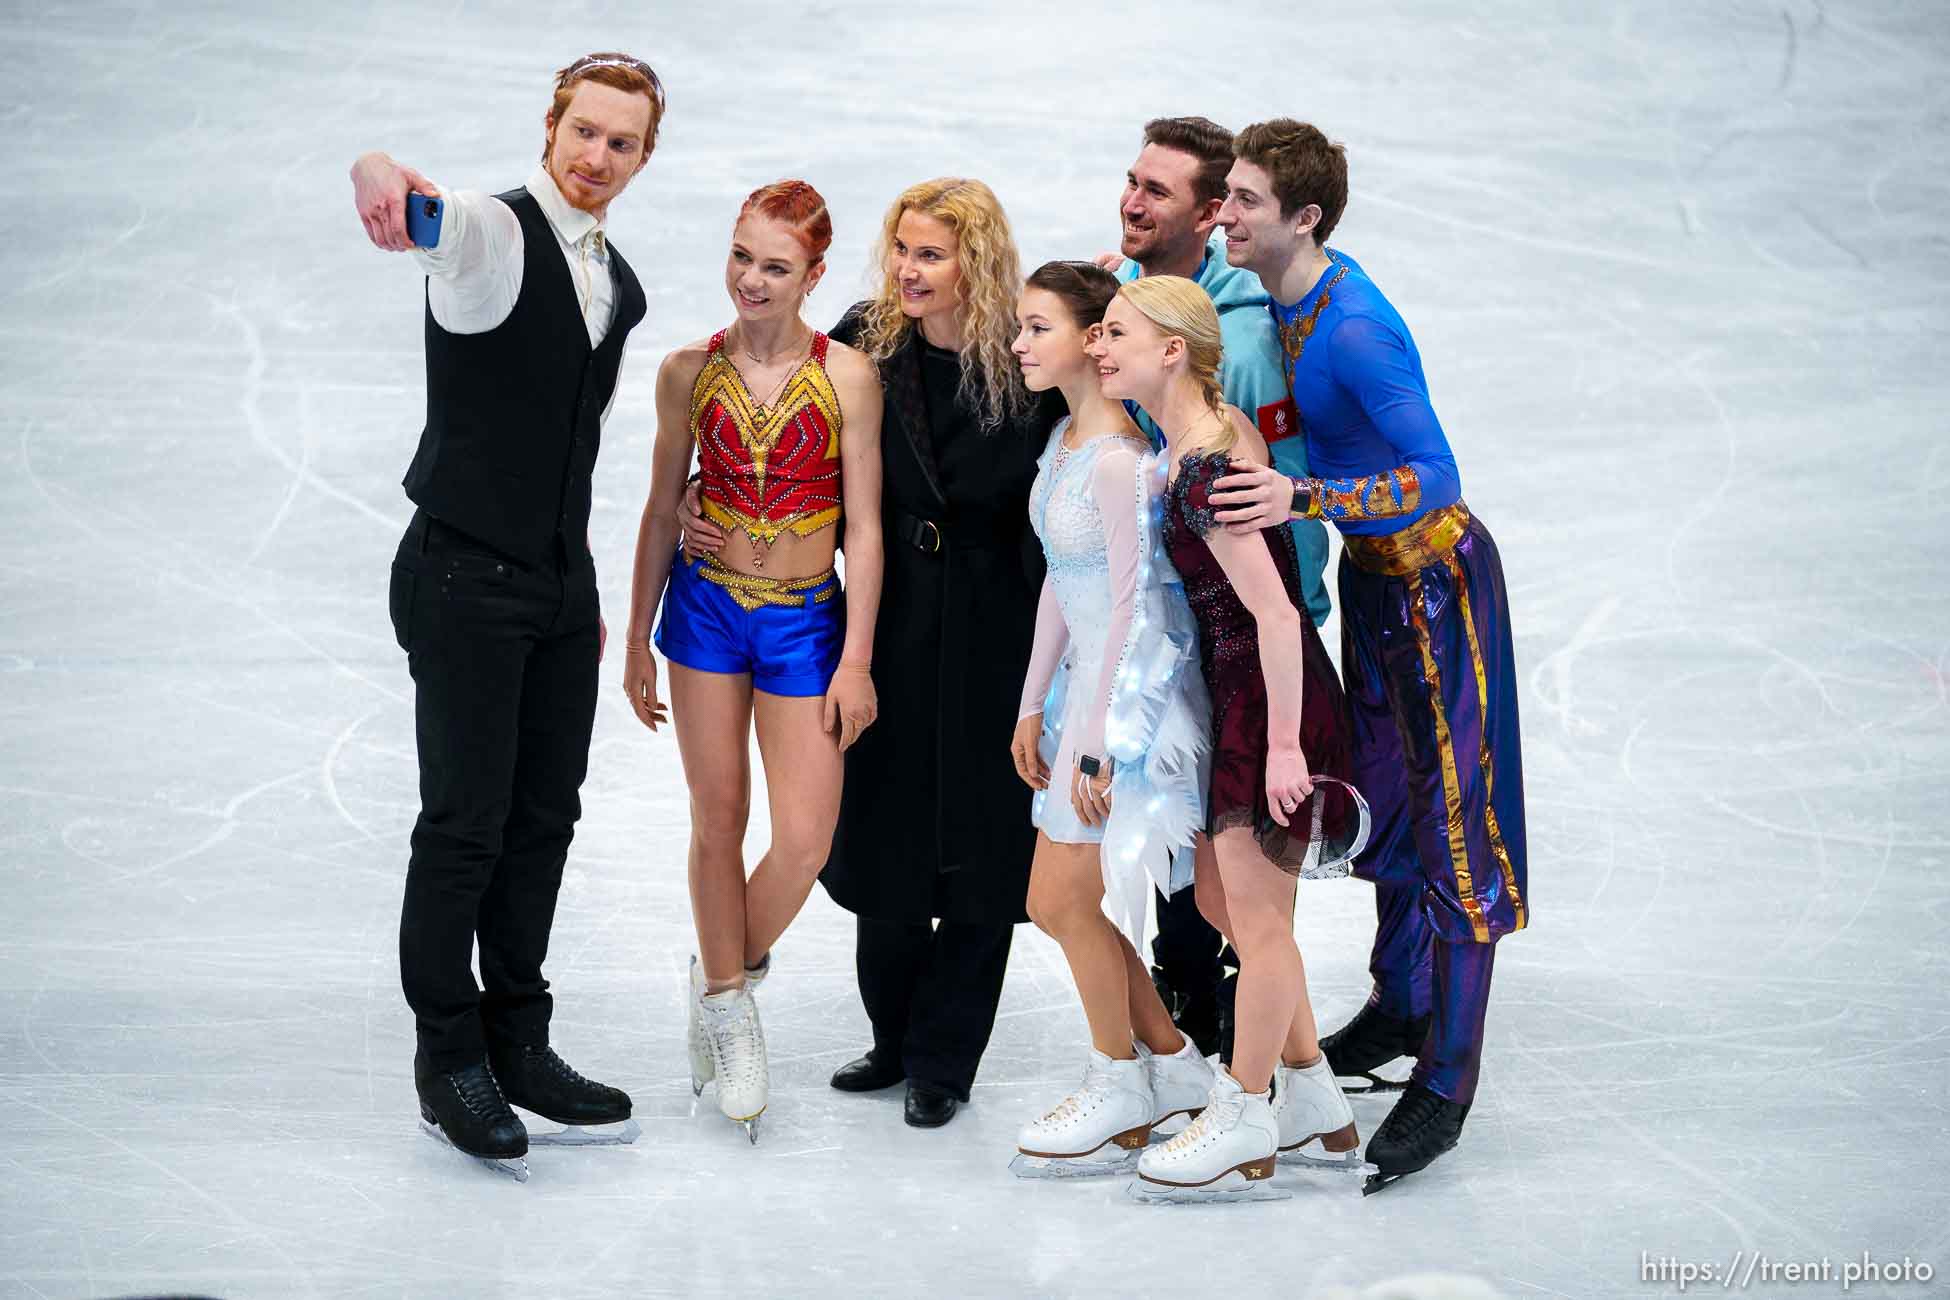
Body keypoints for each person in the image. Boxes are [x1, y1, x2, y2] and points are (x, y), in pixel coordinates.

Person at [682, 178, 1062, 1129]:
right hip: (886, 614)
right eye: (900, 249)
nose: (906, 270)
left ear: (975, 262)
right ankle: (893, 1036)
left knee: (981, 843)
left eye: (929, 254)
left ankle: (944, 1059)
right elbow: (788, 421)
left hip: (996, 619)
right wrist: (708, 492)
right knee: (881, 829)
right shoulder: (867, 335)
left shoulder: (1023, 353)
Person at [351, 52, 663, 1177]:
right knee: (465, 823)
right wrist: (376, 168)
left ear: (641, 157)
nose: (597, 156)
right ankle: (449, 1057)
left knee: (545, 818)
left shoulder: (618, 282)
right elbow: (420, 212)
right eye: (584, 131)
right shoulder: (487, 231)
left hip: (556, 581)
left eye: (621, 143)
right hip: (464, 573)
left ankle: (516, 1036)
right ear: (550, 127)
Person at [1208, 119, 1529, 1194]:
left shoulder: (1354, 331)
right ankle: (1399, 1004)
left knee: (1455, 834)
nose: (1227, 212)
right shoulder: (1281, 297)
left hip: (1439, 589)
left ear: (1304, 218)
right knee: (1390, 808)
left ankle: (1447, 1079)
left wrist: (1307, 495)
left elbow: (1434, 471)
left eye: (1247, 199)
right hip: (1376, 587)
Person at [622, 180, 883, 1143]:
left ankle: (721, 963)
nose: (751, 279)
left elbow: (866, 529)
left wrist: (856, 659)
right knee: (717, 816)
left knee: (807, 837)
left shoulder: (848, 375)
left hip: (807, 624)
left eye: (776, 266)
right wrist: (638, 636)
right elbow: (658, 508)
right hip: (702, 617)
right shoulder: (689, 369)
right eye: (741, 257)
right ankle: (729, 1004)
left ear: (814, 275)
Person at [1097, 276, 1365, 1203]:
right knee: (1220, 901)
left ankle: (1248, 1109)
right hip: (1236, 695)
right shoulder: (1202, 435)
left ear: (1173, 348)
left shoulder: (1207, 463)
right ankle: (1314, 1093)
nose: (1101, 346)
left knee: (1257, 919)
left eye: (1118, 332)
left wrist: (1286, 747)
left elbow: (1278, 615)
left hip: (1267, 701)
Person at [1107, 116, 1335, 1061]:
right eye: (1131, 180)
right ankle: (1296, 1086)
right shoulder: (1132, 302)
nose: (1131, 201)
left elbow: (1269, 543)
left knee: (1237, 888)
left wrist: (1287, 698)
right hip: (1180, 632)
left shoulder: (1227, 359)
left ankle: (1246, 1075)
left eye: (1157, 192)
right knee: (1205, 871)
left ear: (1207, 216)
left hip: (1240, 642)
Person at [1005, 261, 1214, 1178]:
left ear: (1092, 341)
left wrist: (1099, 742)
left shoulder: (1123, 464)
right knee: (1063, 901)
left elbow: (1134, 608)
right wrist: (1029, 701)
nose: (1019, 345)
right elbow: (1061, 575)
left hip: (1126, 703)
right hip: (1074, 694)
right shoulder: (1061, 445)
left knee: (1056, 900)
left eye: (1037, 328)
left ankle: (1121, 1077)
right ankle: (1167, 1064)